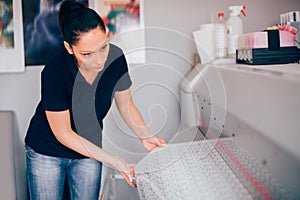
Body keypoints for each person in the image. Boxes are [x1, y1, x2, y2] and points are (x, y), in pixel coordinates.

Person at [24, 0, 166, 199]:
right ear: (69, 47)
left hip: (88, 149)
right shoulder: (55, 71)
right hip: (46, 151)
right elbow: (63, 133)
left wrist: (145, 134)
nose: (98, 59)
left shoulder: (115, 59)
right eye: (87, 54)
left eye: (103, 47)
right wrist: (113, 160)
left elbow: (126, 105)